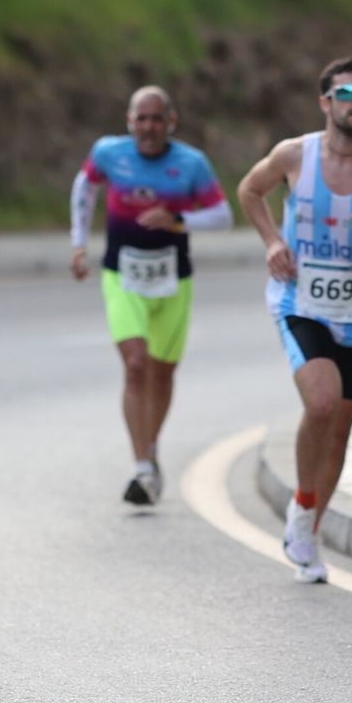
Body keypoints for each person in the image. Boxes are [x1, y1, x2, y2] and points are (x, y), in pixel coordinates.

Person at [237, 57, 352, 583]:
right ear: (325, 103)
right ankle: (302, 505)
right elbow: (249, 190)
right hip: (299, 301)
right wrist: (274, 240)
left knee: (339, 431)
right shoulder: (294, 155)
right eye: (347, 94)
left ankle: (309, 532)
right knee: (320, 404)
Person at [69, 85, 233, 506]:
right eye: (141, 118)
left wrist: (178, 219)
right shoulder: (109, 153)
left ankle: (152, 447)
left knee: (162, 374)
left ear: (171, 123)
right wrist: (78, 243)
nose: (148, 127)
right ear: (129, 121)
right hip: (122, 276)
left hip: (173, 280)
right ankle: (143, 467)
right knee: (136, 365)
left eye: (157, 118)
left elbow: (222, 216)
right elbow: (83, 188)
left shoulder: (191, 163)